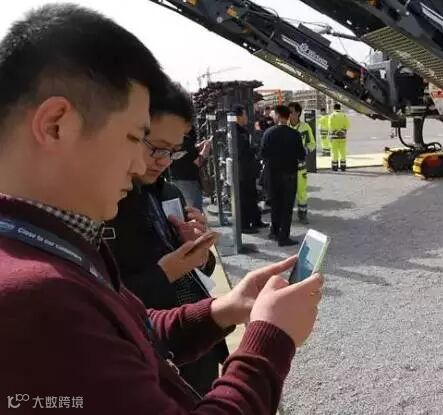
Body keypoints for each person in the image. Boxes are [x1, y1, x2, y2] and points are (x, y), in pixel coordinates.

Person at [0, 5, 323, 414]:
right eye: (134, 138)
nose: (141, 165)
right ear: (56, 125)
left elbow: (135, 329)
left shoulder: (49, 244)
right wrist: (271, 340)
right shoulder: (35, 297)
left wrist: (225, 308)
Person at [106, 79, 228, 393]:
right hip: (149, 361)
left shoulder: (168, 192)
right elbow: (98, 304)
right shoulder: (102, 206)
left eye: (173, 152)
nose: (163, 160)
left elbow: (199, 270)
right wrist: (166, 273)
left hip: (199, 346)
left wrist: (198, 252)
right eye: (156, 147)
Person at [261, 105, 306, 246]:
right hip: (289, 175)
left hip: (273, 175)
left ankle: (274, 232)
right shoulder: (295, 134)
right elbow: (301, 155)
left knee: (275, 204)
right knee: (287, 207)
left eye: (274, 114)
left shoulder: (268, 133)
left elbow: (262, 153)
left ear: (278, 116)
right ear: (287, 117)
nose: (272, 117)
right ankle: (284, 236)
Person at [234, 105, 267, 233]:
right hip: (242, 171)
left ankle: (256, 220)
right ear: (238, 117)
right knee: (244, 198)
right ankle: (245, 225)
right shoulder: (235, 132)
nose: (246, 117)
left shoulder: (242, 130)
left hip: (249, 170)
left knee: (252, 196)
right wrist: (254, 148)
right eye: (245, 115)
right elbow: (241, 152)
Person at [288, 102, 316, 224]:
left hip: (300, 168)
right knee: (287, 192)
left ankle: (302, 214)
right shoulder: (284, 126)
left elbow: (312, 144)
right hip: (286, 167)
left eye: (291, 112)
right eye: (288, 112)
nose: (289, 114)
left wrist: (303, 151)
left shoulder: (305, 127)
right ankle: (286, 216)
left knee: (302, 192)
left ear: (298, 113)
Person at [169, 126, 205, 210]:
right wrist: (205, 150)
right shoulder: (187, 142)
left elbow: (184, 154)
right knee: (193, 209)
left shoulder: (175, 141)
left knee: (184, 206)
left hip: (175, 177)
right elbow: (198, 162)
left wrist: (197, 147)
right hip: (189, 180)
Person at [328, 103, 350, 171]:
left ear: (334, 108)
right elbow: (347, 125)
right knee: (343, 151)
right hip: (342, 137)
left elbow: (330, 126)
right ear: (340, 108)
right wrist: (342, 131)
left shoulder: (332, 116)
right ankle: (343, 166)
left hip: (334, 137)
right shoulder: (344, 115)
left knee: (334, 152)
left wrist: (336, 132)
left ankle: (335, 167)